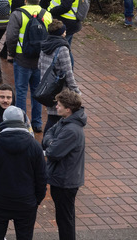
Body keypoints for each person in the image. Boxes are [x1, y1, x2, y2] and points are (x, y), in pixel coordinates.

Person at [0, 105, 47, 240]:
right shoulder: (34, 146)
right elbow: (41, 177)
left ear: (4, 121)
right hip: (26, 202)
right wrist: (36, 200)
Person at [5, 0, 52, 133]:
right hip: (40, 59)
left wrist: (11, 54)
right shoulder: (47, 14)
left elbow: (11, 37)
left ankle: (21, 122)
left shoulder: (18, 14)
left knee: (21, 91)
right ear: (39, 1)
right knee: (37, 92)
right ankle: (37, 123)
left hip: (22, 58)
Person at [42, 89, 86, 240]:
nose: (56, 107)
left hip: (65, 181)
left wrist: (50, 143)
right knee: (65, 216)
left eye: (59, 105)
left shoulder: (71, 130)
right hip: (63, 178)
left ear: (68, 109)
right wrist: (51, 141)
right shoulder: (66, 121)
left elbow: (53, 152)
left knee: (64, 219)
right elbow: (48, 134)